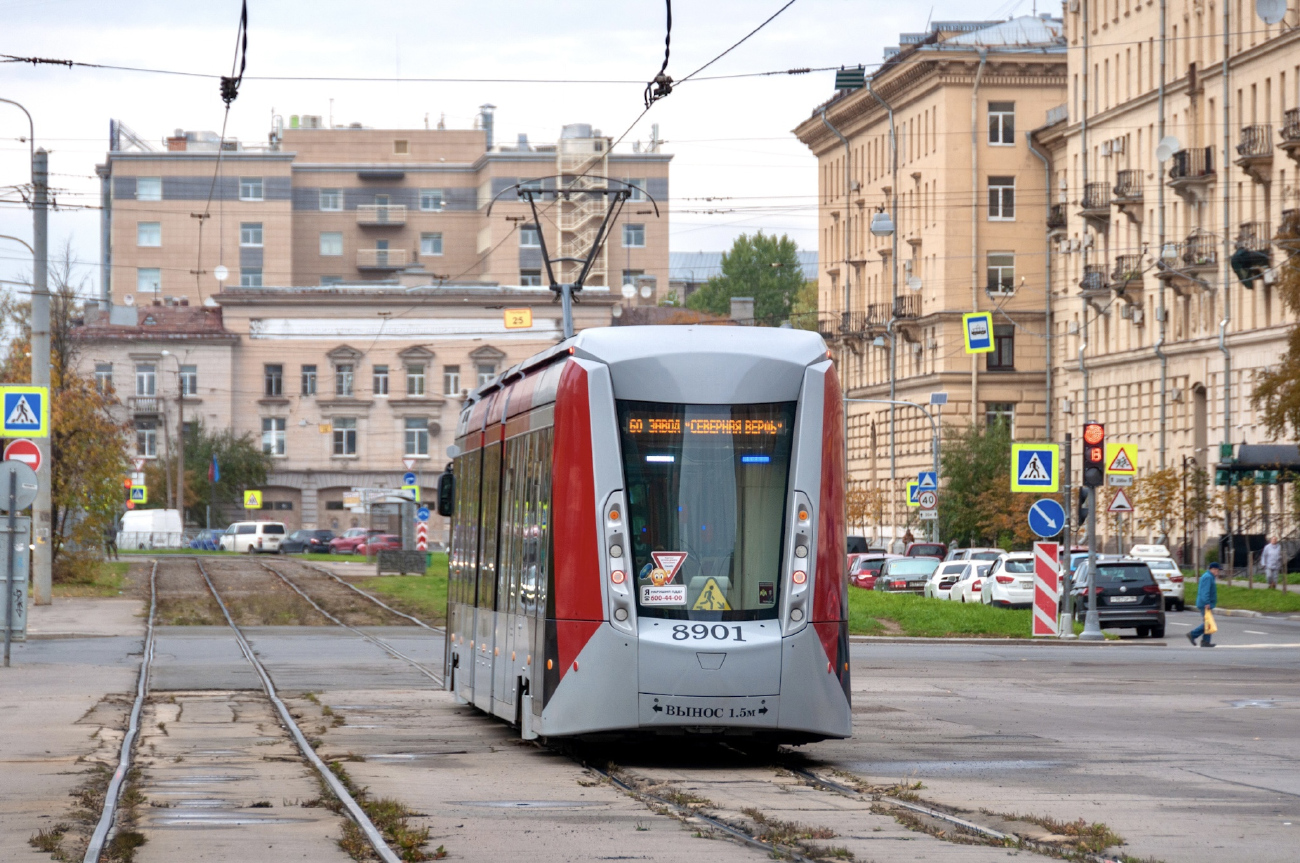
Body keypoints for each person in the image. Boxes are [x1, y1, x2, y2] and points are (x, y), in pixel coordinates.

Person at [1187, 562, 1220, 647]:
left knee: (1208, 622)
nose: (1218, 572)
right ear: (1212, 569)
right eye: (1217, 570)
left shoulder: (1209, 577)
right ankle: (1193, 634)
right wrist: (1207, 602)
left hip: (1206, 603)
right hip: (1205, 604)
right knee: (1208, 623)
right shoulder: (1208, 577)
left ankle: (1205, 641)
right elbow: (1205, 591)